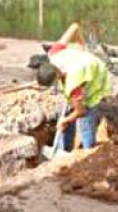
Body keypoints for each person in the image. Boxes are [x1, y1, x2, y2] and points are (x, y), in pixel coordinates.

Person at [36, 22, 112, 150]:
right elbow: (74, 27)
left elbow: (80, 111)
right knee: (69, 112)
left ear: (56, 76)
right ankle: (64, 150)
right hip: (83, 66)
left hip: (96, 76)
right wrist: (83, 47)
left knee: (86, 116)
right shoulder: (54, 53)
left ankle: (89, 152)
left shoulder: (73, 82)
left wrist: (65, 120)